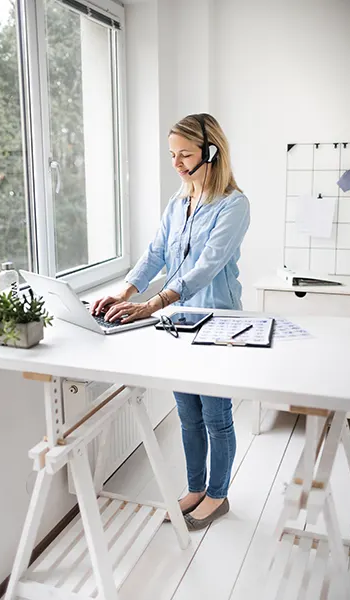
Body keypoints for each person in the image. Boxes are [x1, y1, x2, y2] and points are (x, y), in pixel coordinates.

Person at [91, 113, 250, 530]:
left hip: (216, 323)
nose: (177, 163)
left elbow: (207, 266)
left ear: (210, 152)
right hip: (178, 322)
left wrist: (154, 303)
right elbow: (157, 252)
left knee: (217, 416)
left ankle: (218, 496)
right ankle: (195, 488)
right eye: (172, 155)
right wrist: (125, 291)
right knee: (188, 414)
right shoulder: (177, 203)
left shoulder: (234, 205)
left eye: (185, 154)